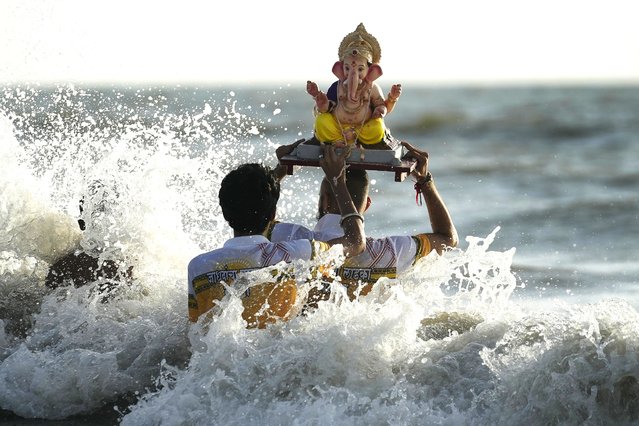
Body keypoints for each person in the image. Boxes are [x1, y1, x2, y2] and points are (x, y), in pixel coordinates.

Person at [187, 144, 366, 328]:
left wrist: (280, 172)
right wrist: (337, 181)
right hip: (278, 353)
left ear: (224, 213)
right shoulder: (297, 254)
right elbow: (356, 241)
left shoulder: (199, 267)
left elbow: (196, 332)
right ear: (273, 214)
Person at [270, 140, 458, 301]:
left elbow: (252, 219)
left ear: (325, 200)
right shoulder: (389, 252)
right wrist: (425, 181)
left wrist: (280, 171)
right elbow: (448, 239)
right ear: (367, 204)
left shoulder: (292, 240)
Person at [306, 23, 402, 149]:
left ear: (371, 71)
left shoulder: (372, 88)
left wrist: (388, 102)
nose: (353, 73)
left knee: (377, 128)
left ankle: (357, 140)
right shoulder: (337, 86)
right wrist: (322, 102)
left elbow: (382, 106)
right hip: (338, 128)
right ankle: (338, 140)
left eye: (360, 69)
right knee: (321, 121)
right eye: (347, 68)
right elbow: (328, 108)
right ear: (339, 69)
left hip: (362, 129)